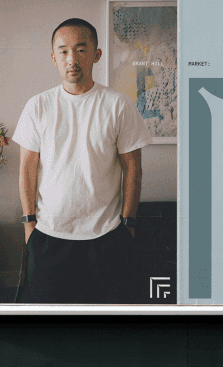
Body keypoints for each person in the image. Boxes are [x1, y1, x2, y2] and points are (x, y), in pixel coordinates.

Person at [13, 18, 150, 303]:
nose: (71, 59)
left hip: (107, 236)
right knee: (49, 326)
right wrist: (29, 226)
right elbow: (27, 170)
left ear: (96, 54)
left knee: (105, 327)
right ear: (53, 58)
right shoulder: (38, 105)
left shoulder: (118, 104)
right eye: (63, 51)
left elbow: (133, 169)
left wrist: (129, 225)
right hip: (48, 235)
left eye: (80, 49)